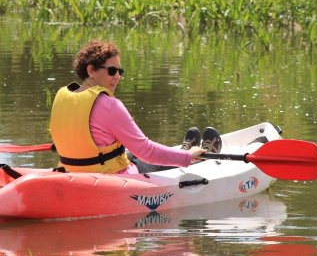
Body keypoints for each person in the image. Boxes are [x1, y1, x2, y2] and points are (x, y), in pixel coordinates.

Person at [49, 39, 214, 174]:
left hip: (71, 173)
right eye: (112, 71)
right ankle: (198, 155)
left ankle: (184, 150)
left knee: (130, 154)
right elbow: (146, 152)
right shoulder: (109, 105)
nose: (117, 77)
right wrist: (187, 157)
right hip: (110, 180)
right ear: (91, 70)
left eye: (120, 72)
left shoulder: (62, 98)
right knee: (143, 158)